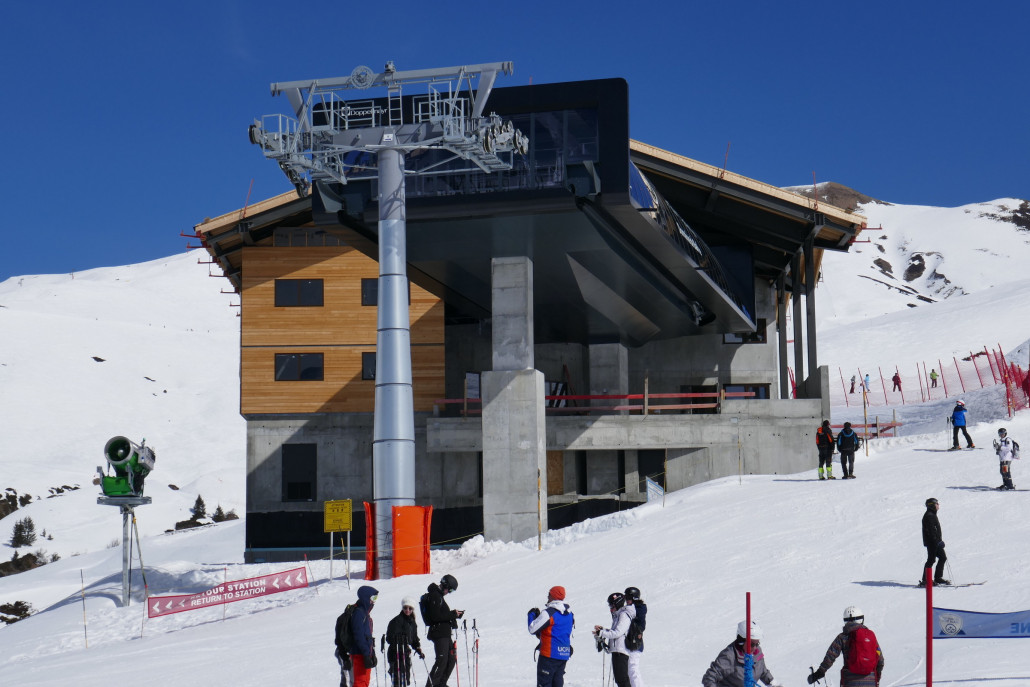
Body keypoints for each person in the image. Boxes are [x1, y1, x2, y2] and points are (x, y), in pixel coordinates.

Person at [807, 606, 884, 686]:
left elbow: (830, 656)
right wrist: (876, 679)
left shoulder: (843, 637)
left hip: (850, 681)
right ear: (861, 619)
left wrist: (820, 673)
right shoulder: (870, 637)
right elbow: (880, 660)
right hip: (871, 681)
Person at [702, 620, 782, 687]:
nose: (754, 648)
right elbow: (709, 677)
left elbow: (762, 670)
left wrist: (773, 683)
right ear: (741, 641)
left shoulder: (757, 652)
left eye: (757, 644)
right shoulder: (729, 656)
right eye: (751, 644)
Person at [422, 574, 463, 687]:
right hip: (439, 634)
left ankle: (441, 684)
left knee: (451, 659)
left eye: (452, 591)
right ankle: (431, 685)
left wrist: (453, 616)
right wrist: (452, 614)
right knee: (442, 660)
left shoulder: (439, 597)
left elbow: (442, 615)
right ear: (445, 585)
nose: (449, 592)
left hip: (444, 633)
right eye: (450, 590)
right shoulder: (435, 595)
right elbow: (435, 616)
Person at [528, 586, 574, 686]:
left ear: (553, 596)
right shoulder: (569, 614)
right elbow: (557, 631)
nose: (548, 596)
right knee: (557, 683)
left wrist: (531, 615)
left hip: (549, 655)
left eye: (549, 594)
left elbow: (532, 629)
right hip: (563, 654)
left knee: (544, 684)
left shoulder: (549, 613)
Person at [593, 592, 634, 687]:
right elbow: (615, 632)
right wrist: (603, 630)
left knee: (622, 680)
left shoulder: (624, 615)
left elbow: (618, 633)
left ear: (618, 603)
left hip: (621, 651)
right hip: (617, 651)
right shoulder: (617, 616)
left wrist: (602, 633)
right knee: (620, 680)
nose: (611, 608)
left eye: (612, 605)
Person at [386, 596, 424, 687]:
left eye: (410, 608)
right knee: (398, 678)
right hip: (396, 653)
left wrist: (417, 647)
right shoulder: (396, 621)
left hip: (405, 652)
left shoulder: (412, 622)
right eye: (405, 608)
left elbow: (414, 638)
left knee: (405, 678)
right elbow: (389, 638)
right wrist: (398, 640)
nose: (407, 610)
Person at [348, 585, 380, 687]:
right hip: (359, 654)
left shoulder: (365, 614)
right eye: (373, 598)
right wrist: (366, 654)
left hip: (365, 653)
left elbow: (368, 637)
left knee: (365, 683)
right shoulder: (358, 613)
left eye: (376, 598)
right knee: (360, 683)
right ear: (366, 597)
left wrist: (372, 653)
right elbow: (359, 636)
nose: (374, 601)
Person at [919, 498, 949, 586]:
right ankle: (925, 580)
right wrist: (937, 541)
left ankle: (938, 578)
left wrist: (939, 541)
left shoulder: (932, 514)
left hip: (936, 542)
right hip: (932, 542)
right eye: (937, 504)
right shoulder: (929, 516)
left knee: (943, 557)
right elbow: (931, 531)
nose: (938, 505)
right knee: (931, 560)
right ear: (932, 505)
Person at [624, 586, 647, 687]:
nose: (626, 601)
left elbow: (641, 626)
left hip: (635, 643)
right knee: (629, 670)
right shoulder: (631, 609)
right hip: (630, 642)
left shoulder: (639, 609)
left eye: (628, 598)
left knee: (633, 669)